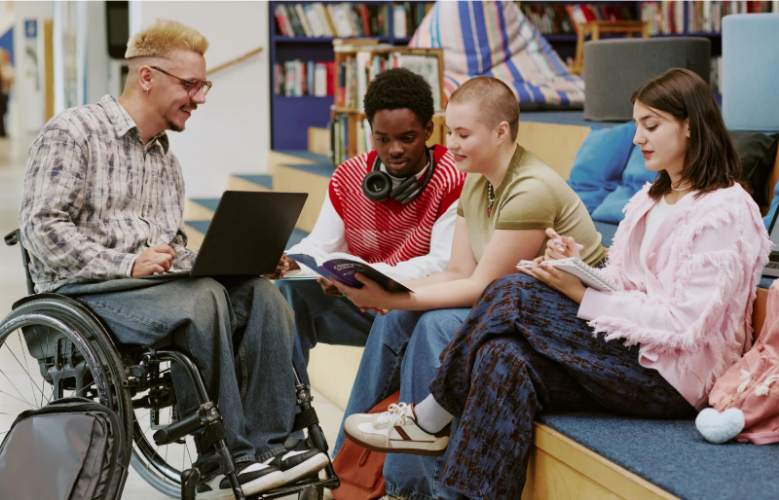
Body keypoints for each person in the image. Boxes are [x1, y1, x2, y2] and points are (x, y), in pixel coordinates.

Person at [343, 68, 771, 500]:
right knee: (501, 356)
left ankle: (429, 417)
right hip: (632, 354)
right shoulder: (652, 199)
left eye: (651, 125)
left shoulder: (725, 210)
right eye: (637, 124)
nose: (637, 138)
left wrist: (580, 293)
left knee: (511, 290)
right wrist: (576, 268)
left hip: (675, 378)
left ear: (691, 126)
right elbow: (624, 283)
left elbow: (684, 323)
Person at [18, 19, 327, 499]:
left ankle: (270, 447)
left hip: (150, 290)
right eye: (190, 85)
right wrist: (126, 264)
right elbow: (42, 230)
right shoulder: (73, 132)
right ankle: (222, 461)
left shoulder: (165, 160)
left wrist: (243, 261)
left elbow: (172, 251)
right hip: (82, 291)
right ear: (148, 77)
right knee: (201, 299)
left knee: (262, 296)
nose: (199, 97)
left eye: (203, 85)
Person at [331, 76, 606, 499]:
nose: (451, 145)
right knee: (399, 318)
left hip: (567, 322)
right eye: (450, 133)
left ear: (501, 132)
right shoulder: (477, 178)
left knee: (435, 326)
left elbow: (481, 288)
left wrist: (389, 295)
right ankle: (344, 469)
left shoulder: (530, 188)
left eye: (463, 134)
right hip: (509, 306)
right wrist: (390, 287)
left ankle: (423, 488)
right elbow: (459, 269)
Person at [271, 68, 465, 383]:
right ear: (369, 131)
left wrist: (364, 277)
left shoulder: (453, 177)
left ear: (429, 129)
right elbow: (320, 245)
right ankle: (289, 420)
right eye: (382, 139)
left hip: (413, 307)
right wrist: (290, 260)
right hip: (363, 305)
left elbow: (444, 263)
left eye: (407, 138)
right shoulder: (347, 176)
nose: (394, 150)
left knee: (407, 314)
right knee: (286, 294)